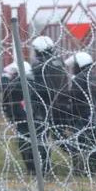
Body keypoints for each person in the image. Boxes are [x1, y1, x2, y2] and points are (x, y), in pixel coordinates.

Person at [64, 51, 96, 175]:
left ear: (79, 65)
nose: (73, 68)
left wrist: (69, 118)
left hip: (86, 116)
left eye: (74, 65)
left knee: (80, 144)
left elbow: (74, 101)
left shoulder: (79, 79)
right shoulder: (92, 76)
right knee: (87, 143)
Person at [30, 35, 71, 174]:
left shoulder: (38, 66)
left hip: (44, 107)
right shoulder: (58, 62)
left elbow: (40, 89)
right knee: (60, 137)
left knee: (41, 138)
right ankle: (81, 158)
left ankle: (43, 169)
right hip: (61, 105)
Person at [1, 61, 36, 175]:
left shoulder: (21, 84)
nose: (14, 77)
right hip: (27, 118)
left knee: (25, 144)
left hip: (24, 120)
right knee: (29, 144)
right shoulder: (30, 82)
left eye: (15, 74)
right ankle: (34, 170)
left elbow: (5, 88)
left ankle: (32, 170)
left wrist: (6, 76)